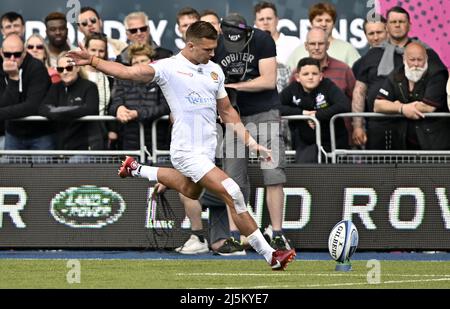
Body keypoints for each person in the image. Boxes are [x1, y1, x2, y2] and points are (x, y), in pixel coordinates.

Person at [67, 21, 295, 270]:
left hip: (206, 151)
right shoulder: (168, 68)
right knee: (233, 191)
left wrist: (250, 142)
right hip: (185, 150)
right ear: (190, 45)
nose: (212, 53)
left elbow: (228, 112)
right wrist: (94, 61)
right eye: (207, 49)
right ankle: (271, 255)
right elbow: (128, 73)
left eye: (214, 48)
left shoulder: (215, 70)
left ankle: (137, 169)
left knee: (191, 190)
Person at [212, 13, 290, 251]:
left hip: (264, 110)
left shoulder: (263, 39)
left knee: (273, 172)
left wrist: (232, 86)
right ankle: (235, 236)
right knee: (232, 178)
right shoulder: (214, 44)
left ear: (247, 31)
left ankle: (277, 233)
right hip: (232, 114)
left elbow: (268, 80)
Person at [351, 6, 446, 150]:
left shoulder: (425, 52)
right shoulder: (371, 55)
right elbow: (359, 92)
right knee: (380, 171)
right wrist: (357, 125)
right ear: (387, 26)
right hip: (379, 125)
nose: (397, 25)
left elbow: (440, 85)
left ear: (409, 25)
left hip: (416, 126)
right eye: (393, 21)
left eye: (401, 21)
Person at [373, 42, 450, 150]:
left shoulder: (437, 74)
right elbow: (377, 105)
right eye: (412, 60)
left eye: (420, 60)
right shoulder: (397, 73)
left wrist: (394, 106)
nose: (416, 64)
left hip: (434, 145)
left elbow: (427, 107)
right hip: (404, 144)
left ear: (426, 58)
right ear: (404, 59)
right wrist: (401, 108)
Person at [280, 57, 350, 162]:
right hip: (304, 145)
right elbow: (273, 106)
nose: (310, 77)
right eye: (306, 74)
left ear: (321, 76)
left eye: (314, 73)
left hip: (334, 143)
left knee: (335, 176)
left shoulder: (328, 86)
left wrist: (316, 116)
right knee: (308, 174)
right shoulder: (292, 89)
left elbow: (344, 104)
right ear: (297, 77)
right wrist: (302, 113)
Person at [109, 43, 170, 151]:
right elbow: (114, 104)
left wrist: (137, 114)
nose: (139, 65)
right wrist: (119, 108)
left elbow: (165, 107)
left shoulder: (161, 80)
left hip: (158, 144)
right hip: (130, 143)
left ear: (152, 62)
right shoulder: (124, 81)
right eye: (135, 62)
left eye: (143, 61)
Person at [0, 34, 55, 153]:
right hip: (13, 133)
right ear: (1, 52)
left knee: (44, 172)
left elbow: (33, 106)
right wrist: (13, 79)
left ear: (24, 53)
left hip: (40, 133)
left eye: (17, 54)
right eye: (8, 54)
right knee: (13, 172)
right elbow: (4, 103)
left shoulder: (37, 67)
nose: (12, 58)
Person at [38, 52, 102, 152]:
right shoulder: (55, 87)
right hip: (61, 146)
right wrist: (74, 111)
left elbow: (91, 109)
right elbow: (42, 109)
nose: (65, 72)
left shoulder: (89, 87)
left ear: (77, 68)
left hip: (84, 146)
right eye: (60, 69)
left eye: (69, 68)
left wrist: (56, 111)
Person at [286, 2, 360, 71]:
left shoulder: (347, 49)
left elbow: (359, 78)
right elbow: (288, 77)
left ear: (334, 24)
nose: (323, 24)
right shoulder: (299, 52)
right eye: (319, 20)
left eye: (328, 21)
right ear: (311, 23)